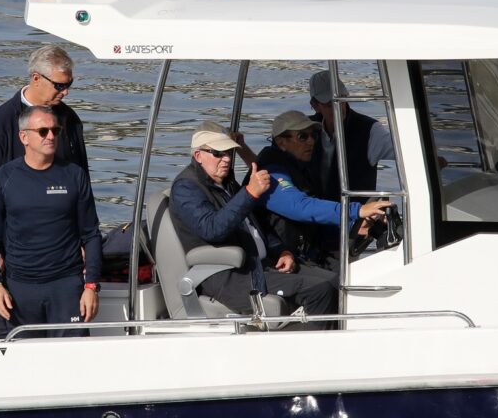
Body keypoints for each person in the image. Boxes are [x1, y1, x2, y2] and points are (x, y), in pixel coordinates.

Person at [168, 122, 338, 328]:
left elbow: (255, 225)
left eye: (229, 152)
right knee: (319, 291)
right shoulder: (186, 188)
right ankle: (309, 356)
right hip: (228, 276)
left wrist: (281, 250)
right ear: (198, 156)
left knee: (335, 282)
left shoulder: (225, 182)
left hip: (258, 264)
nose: (227, 159)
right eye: (218, 153)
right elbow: (212, 229)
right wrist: (249, 193)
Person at [0, 45, 89, 338]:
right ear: (36, 78)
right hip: (18, 254)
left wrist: (85, 239)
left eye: (69, 85)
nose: (66, 92)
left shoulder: (70, 121)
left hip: (64, 254)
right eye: (59, 85)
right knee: (11, 329)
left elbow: (82, 178)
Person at [0, 105, 101, 338]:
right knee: (21, 364)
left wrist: (91, 286)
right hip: (20, 289)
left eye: (56, 130)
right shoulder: (4, 178)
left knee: (70, 362)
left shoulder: (74, 175)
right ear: (23, 137)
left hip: (66, 287)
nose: (51, 136)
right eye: (43, 131)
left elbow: (91, 234)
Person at [256, 110, 392, 269]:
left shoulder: (298, 166)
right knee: (334, 282)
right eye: (303, 137)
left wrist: (355, 225)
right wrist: (358, 210)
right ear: (281, 142)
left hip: (309, 249)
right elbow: (301, 207)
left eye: (313, 135)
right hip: (283, 258)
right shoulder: (271, 174)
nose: (311, 142)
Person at [308, 70, 395, 201]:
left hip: (357, 217)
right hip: (314, 215)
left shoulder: (370, 130)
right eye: (329, 104)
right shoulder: (304, 129)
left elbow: (410, 155)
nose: (338, 107)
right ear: (315, 105)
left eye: (342, 99)